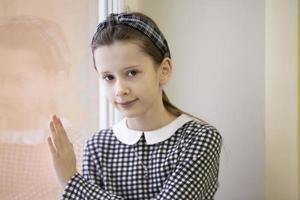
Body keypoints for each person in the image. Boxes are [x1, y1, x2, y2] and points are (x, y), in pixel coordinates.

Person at [47, 12, 222, 200]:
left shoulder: (199, 139)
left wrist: (72, 182)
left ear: (164, 70)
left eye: (132, 73)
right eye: (108, 77)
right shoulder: (97, 146)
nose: (120, 89)